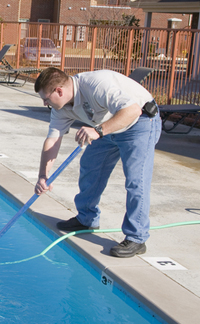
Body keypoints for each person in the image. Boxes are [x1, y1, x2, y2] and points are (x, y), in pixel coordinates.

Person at [33, 67, 161, 258]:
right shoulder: (61, 108)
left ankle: (137, 237)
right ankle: (87, 219)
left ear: (59, 91)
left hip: (139, 123)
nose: (45, 103)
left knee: (136, 181)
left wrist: (99, 131)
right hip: (106, 127)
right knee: (90, 168)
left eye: (46, 98)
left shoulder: (96, 84)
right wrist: (43, 175)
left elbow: (132, 110)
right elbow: (52, 139)